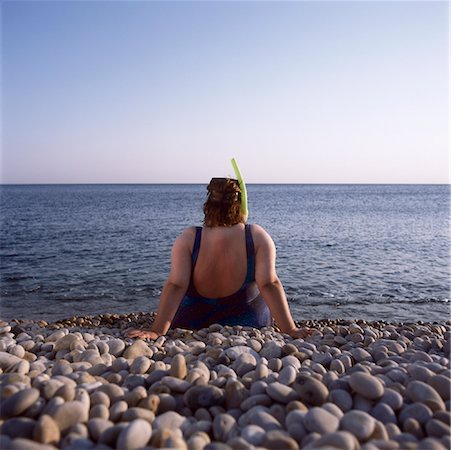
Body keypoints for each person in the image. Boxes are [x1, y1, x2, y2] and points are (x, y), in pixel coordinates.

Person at [126, 176, 310, 340]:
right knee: (261, 286)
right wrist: (290, 329)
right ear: (241, 205)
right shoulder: (256, 236)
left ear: (207, 205)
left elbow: (176, 285)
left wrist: (157, 330)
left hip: (192, 320)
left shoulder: (189, 237)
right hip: (247, 322)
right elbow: (269, 284)